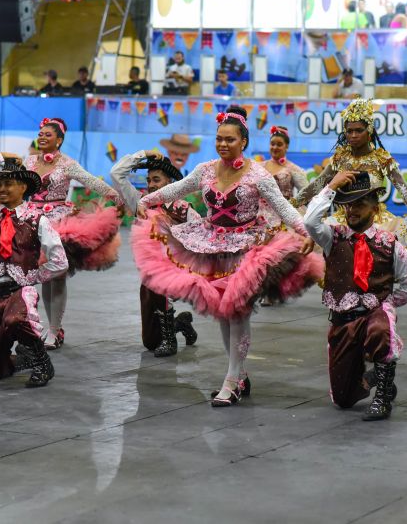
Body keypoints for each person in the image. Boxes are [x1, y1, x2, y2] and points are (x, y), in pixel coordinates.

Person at [131, 106, 323, 407]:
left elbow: (284, 208)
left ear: (243, 142)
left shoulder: (258, 174)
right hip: (211, 247)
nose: (222, 144)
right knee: (223, 312)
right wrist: (146, 199)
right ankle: (239, 375)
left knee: (237, 313)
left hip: (247, 249)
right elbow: (177, 189)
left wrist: (306, 231)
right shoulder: (206, 170)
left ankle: (231, 381)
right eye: (219, 138)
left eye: (229, 140)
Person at [304, 171, 407, 420]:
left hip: (373, 315)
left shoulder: (390, 243)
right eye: (349, 204)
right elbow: (310, 221)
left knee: (381, 329)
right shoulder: (331, 237)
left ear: (375, 209)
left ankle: (384, 394)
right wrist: (331, 187)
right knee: (343, 400)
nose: (352, 210)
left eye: (360, 204)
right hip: (341, 321)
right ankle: (372, 378)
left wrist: (387, 304)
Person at [294, 98, 407, 271]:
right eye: (349, 131)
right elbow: (316, 186)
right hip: (344, 221)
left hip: (375, 221)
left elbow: (405, 193)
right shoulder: (339, 158)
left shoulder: (382, 159)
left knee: (376, 272)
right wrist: (289, 204)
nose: (353, 135)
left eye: (359, 130)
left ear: (369, 131)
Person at [0, 153, 66, 387]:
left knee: (16, 319)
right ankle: (21, 358)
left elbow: (60, 260)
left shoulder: (37, 219)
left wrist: (34, 277)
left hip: (19, 292)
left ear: (23, 187)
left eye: (8, 184)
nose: (1, 189)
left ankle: (42, 362)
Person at [24, 117, 122, 349]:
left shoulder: (67, 163)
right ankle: (49, 327)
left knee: (56, 276)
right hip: (31, 221)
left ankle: (54, 330)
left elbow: (91, 181)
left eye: (48, 134)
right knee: (42, 277)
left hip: (59, 223)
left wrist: (117, 196)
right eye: (41, 133)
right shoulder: (27, 161)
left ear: (59, 140)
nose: (42, 137)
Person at [110, 150, 199, 357]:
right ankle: (181, 323)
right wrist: (144, 154)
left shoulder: (184, 210)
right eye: (148, 180)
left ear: (169, 181)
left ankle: (170, 341)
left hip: (174, 272)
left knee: (162, 284)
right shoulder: (139, 203)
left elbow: (199, 242)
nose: (150, 185)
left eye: (156, 180)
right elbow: (116, 173)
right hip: (148, 276)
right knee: (150, 342)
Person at [258, 125, 308, 231]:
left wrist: (291, 204)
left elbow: (307, 192)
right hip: (260, 216)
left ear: (287, 146)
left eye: (279, 144)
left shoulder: (293, 169)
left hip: (284, 217)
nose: (275, 147)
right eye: (272, 144)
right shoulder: (259, 167)